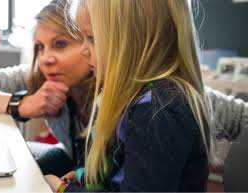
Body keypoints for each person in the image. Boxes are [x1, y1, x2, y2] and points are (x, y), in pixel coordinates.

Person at [45, 0, 219, 192]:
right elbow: (119, 166)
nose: (83, 51)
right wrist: (83, 176)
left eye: (92, 39)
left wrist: (63, 190)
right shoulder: (132, 96)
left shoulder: (161, 109)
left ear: (135, 40)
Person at [0, 0, 94, 177]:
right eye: (40, 47)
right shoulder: (38, 77)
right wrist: (21, 105)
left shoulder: (113, 91)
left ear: (91, 42)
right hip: (72, 158)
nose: (45, 59)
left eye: (60, 44)